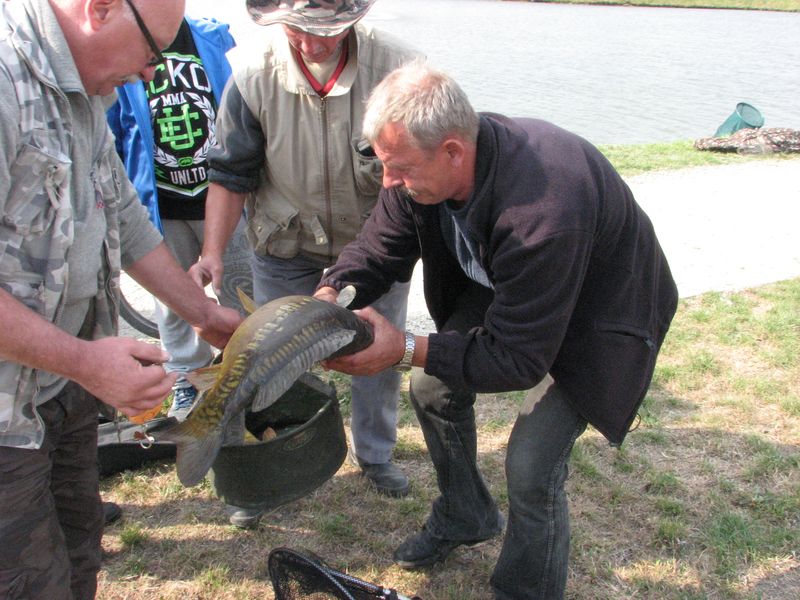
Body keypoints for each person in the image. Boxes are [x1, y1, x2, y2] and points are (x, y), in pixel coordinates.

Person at [315, 61, 679, 599]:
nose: (389, 181)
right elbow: (377, 249)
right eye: (385, 164)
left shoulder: (545, 205)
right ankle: (466, 514)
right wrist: (329, 297)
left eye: (400, 168)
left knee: (531, 466)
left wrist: (403, 347)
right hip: (513, 287)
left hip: (600, 313)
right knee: (431, 386)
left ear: (453, 151)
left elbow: (516, 359)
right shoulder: (417, 162)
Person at [0, 1, 242, 598]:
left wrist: (204, 314)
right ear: (100, 9)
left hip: (62, 390)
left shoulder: (87, 91)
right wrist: (85, 362)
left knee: (82, 546)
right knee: (29, 580)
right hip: (7, 411)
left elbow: (125, 218)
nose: (154, 75)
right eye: (153, 53)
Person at [189, 0, 422, 528]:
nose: (313, 44)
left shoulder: (400, 70)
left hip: (376, 251)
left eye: (330, 31)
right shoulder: (250, 74)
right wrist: (213, 252)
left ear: (356, 18)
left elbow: (419, 173)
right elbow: (230, 174)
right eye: (298, 30)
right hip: (283, 244)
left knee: (377, 356)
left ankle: (376, 457)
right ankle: (259, 468)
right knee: (261, 364)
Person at [108, 14, 237, 420]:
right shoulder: (123, 47)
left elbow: (237, 111)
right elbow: (113, 135)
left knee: (239, 287)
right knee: (172, 297)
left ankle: (248, 377)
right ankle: (187, 378)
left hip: (222, 196)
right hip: (162, 204)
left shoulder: (210, 39)